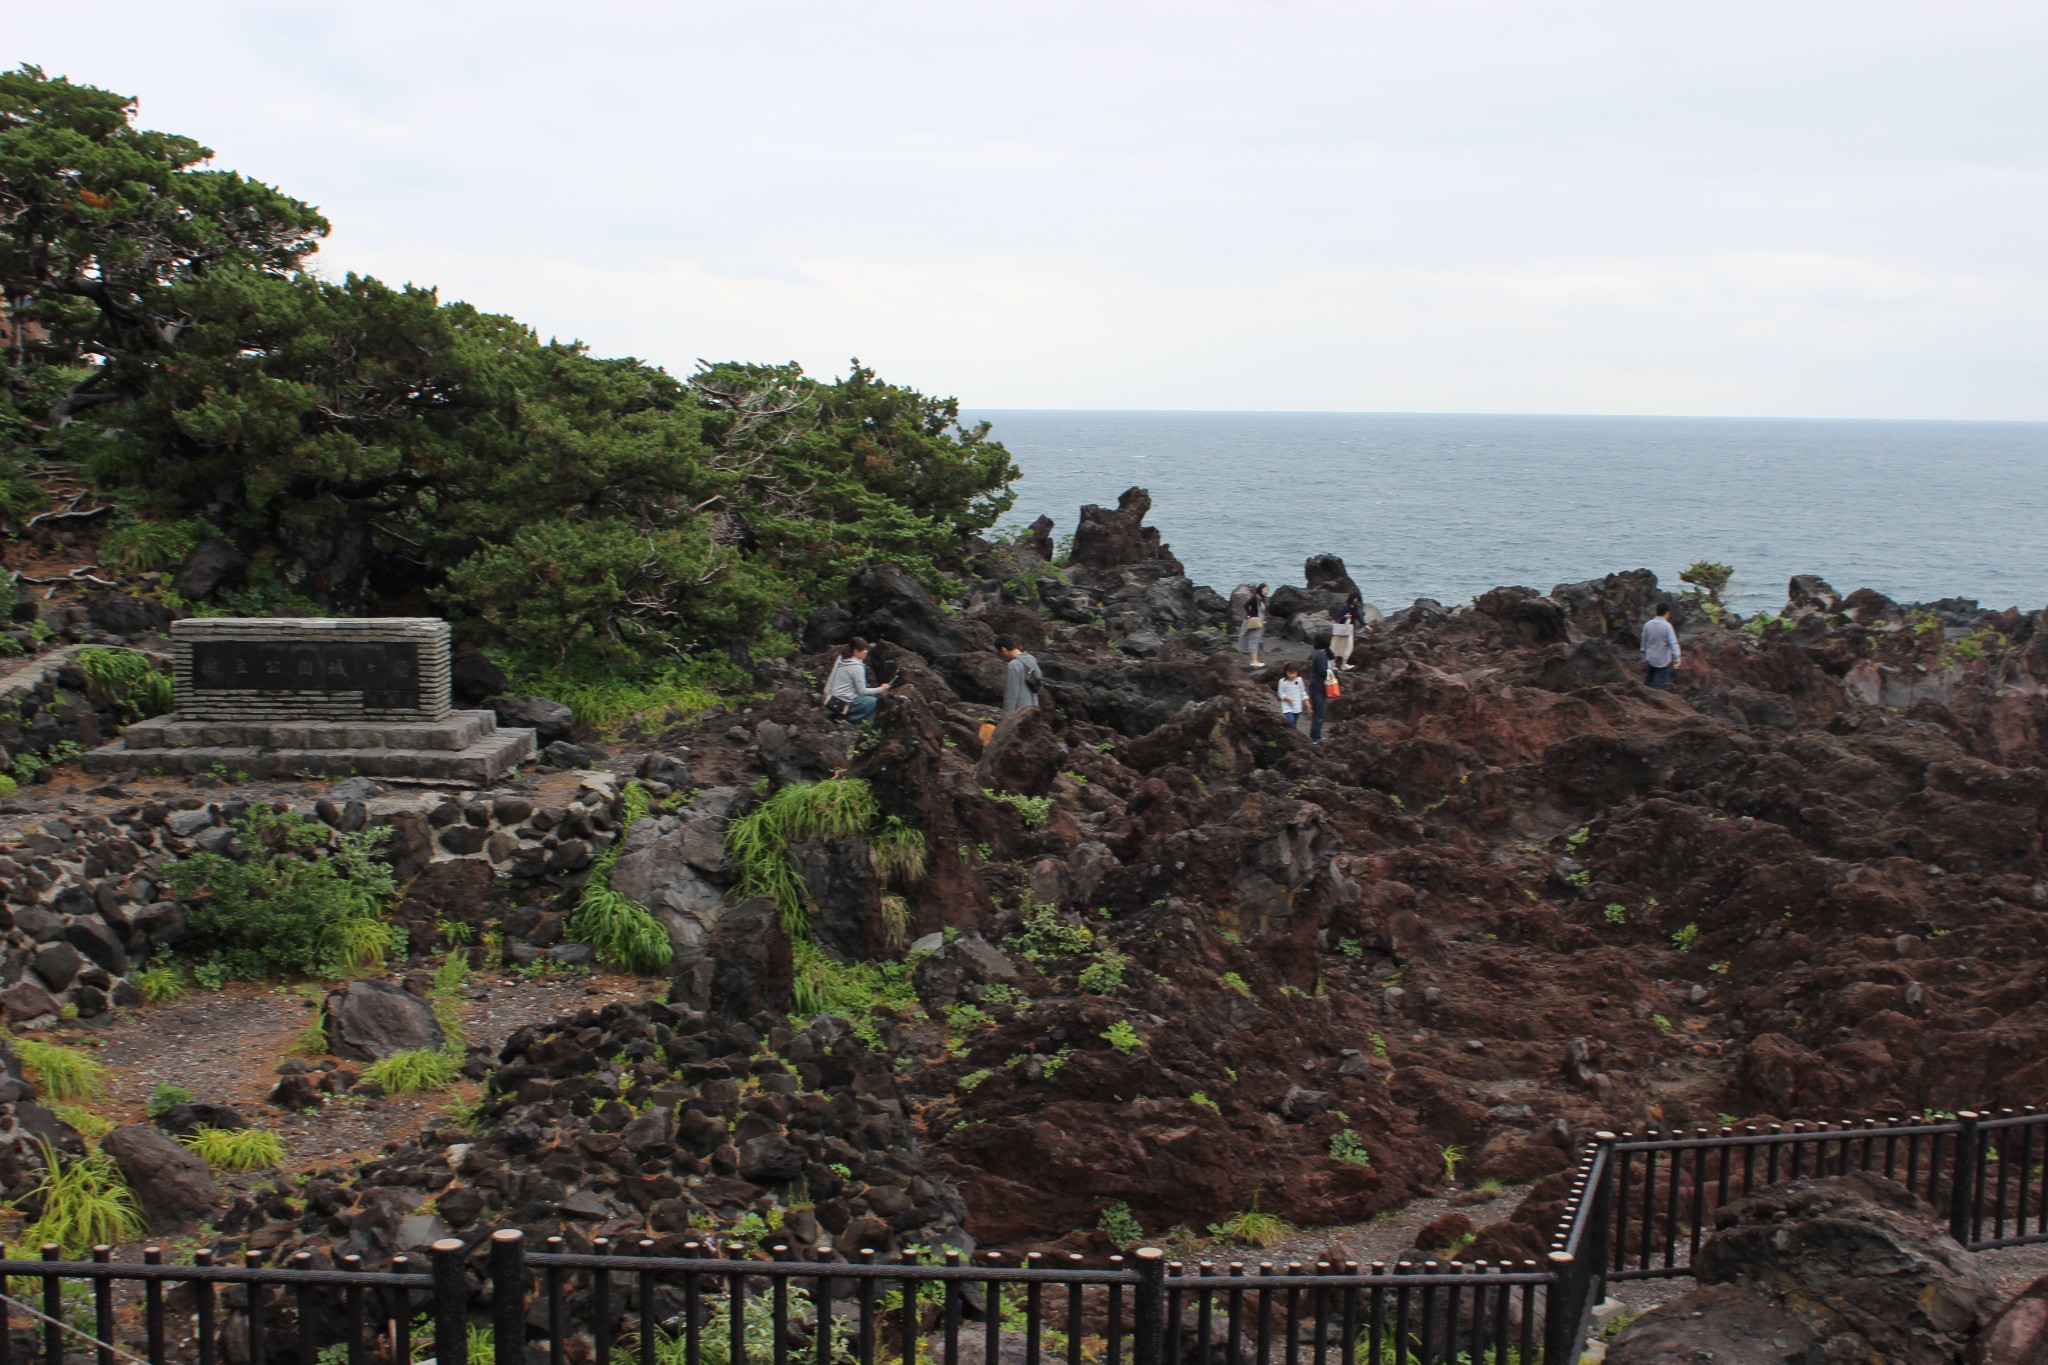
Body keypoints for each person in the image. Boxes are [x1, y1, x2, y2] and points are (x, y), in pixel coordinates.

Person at [823, 637, 890, 722]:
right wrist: (881, 689)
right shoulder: (857, 666)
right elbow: (862, 691)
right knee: (874, 702)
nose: (866, 651)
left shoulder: (841, 658)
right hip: (841, 703)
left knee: (868, 689)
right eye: (863, 649)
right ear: (855, 651)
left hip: (828, 697)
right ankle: (849, 719)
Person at [997, 639, 1043, 714]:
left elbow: (1012, 695)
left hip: (1020, 713)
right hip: (1034, 708)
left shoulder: (1013, 665)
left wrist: (1006, 717)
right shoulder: (1032, 658)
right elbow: (1039, 677)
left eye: (1001, 653)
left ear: (1003, 649)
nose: (1003, 656)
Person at [1641, 602, 1681, 688]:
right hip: (1663, 660)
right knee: (1663, 681)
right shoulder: (1667, 626)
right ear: (1667, 613)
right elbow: (1673, 643)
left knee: (1648, 678)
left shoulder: (1648, 624)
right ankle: (1661, 695)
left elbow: (1644, 641)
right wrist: (1677, 658)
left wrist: (1644, 655)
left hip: (1650, 658)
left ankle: (1644, 693)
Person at [1306, 632, 1334, 742]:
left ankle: (1315, 735)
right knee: (1320, 713)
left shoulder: (1317, 653)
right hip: (1319, 687)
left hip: (1315, 686)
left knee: (1318, 712)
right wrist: (1334, 672)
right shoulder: (1321, 655)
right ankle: (1315, 737)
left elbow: (1332, 656)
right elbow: (1323, 671)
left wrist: (1327, 650)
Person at [1332, 593, 1372, 671]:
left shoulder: (1354, 607)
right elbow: (1339, 617)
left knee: (1348, 646)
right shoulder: (1345, 606)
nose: (1357, 601)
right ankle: (1334, 663)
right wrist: (1345, 617)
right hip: (1343, 628)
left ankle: (1344, 664)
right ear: (1352, 598)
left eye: (1358, 600)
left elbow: (1358, 617)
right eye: (1356, 599)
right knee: (1338, 645)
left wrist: (1365, 625)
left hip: (1349, 629)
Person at [1240, 584, 1268, 666]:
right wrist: (1250, 615)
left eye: (1267, 590)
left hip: (1260, 622)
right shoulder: (1255, 598)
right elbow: (1246, 605)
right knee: (1253, 639)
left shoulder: (1262, 599)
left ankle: (1255, 660)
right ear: (1260, 590)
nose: (1267, 592)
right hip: (1255, 621)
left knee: (1256, 640)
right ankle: (1254, 661)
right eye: (1265, 590)